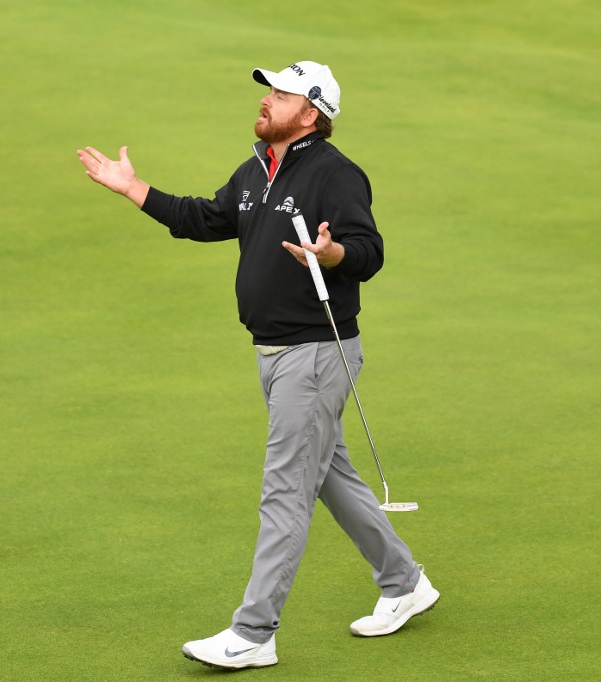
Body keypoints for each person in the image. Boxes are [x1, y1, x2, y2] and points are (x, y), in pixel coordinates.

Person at [76, 60, 439, 670]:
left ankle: (254, 632)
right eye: (270, 90)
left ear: (313, 113)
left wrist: (333, 252)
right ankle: (405, 583)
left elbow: (370, 252)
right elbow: (205, 219)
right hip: (272, 354)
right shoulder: (255, 170)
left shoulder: (336, 174)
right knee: (327, 475)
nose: (268, 100)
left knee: (285, 490)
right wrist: (134, 189)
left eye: (283, 93)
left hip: (316, 352)